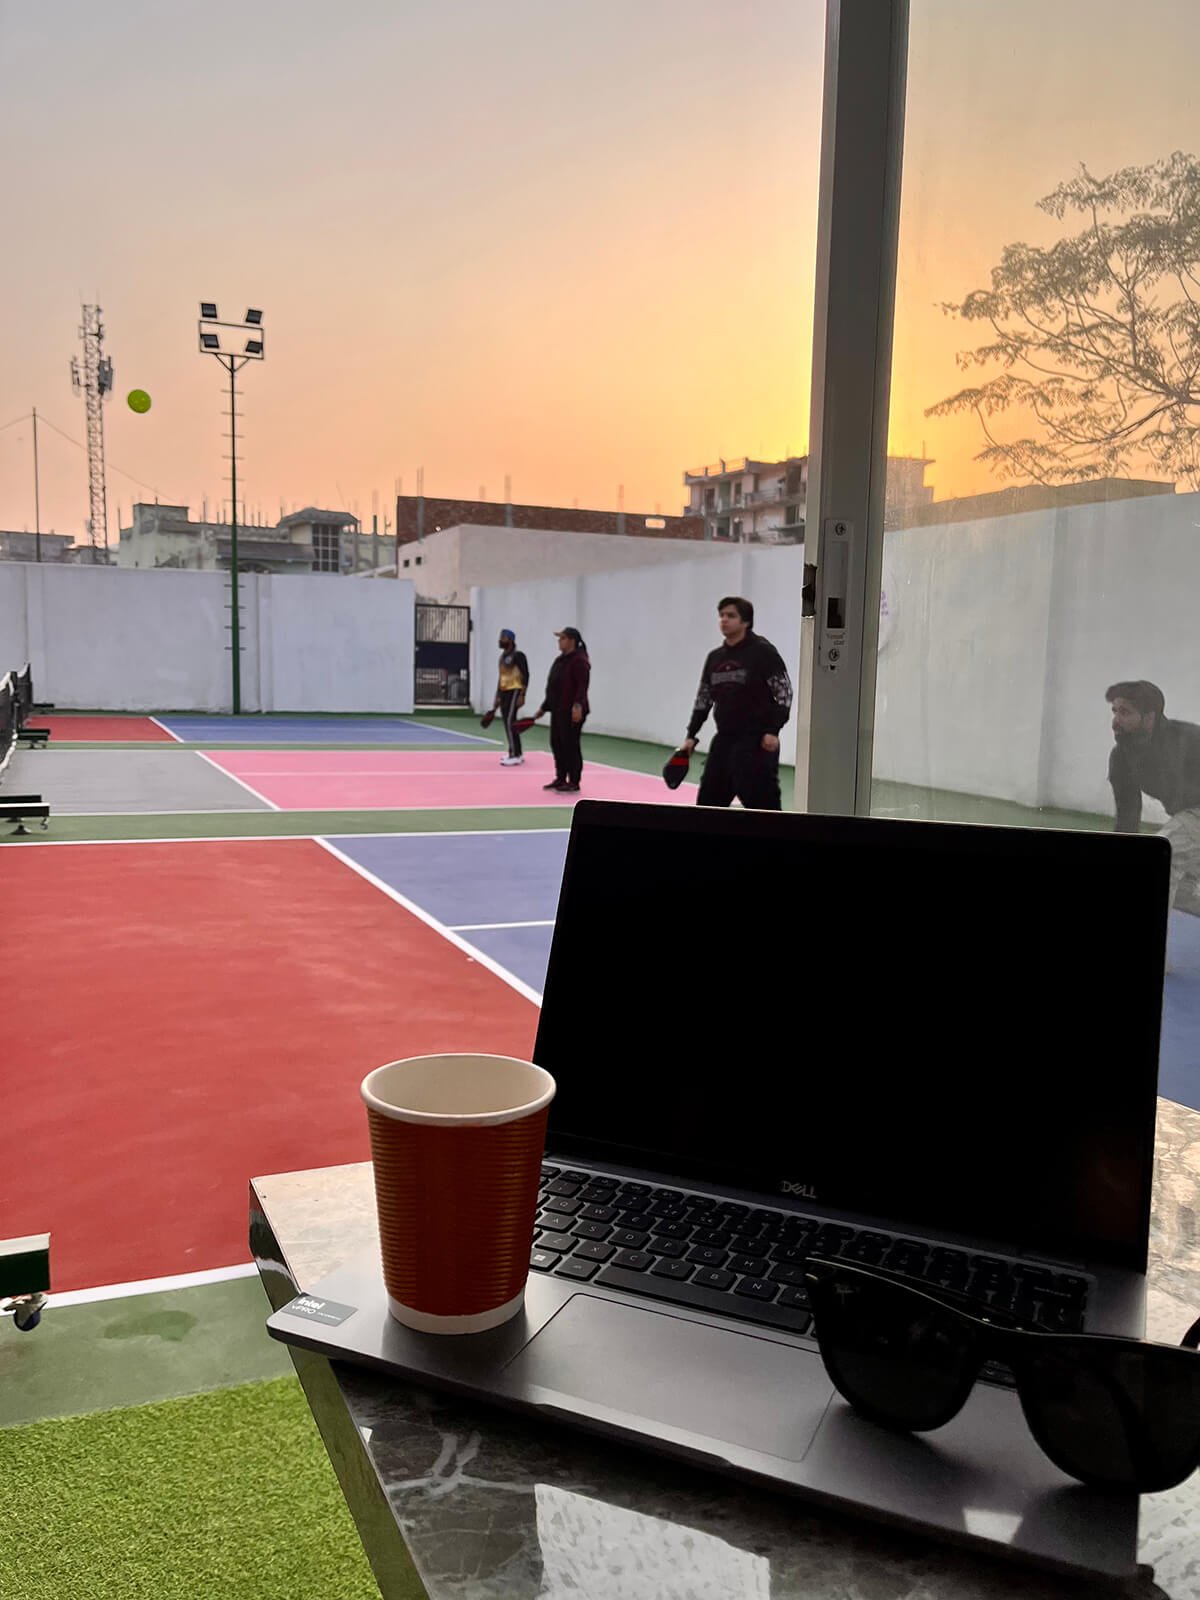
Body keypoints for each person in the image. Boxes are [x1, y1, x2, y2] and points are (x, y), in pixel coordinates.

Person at [682, 596, 792, 810]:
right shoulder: (715, 658)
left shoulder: (763, 652)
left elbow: (783, 692)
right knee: (708, 806)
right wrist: (691, 735)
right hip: (724, 740)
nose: (724, 620)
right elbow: (704, 698)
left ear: (746, 622)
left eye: (731, 616)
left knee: (764, 808)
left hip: (757, 742)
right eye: (721, 615)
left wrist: (773, 730)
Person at [1107, 680, 1200, 911]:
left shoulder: (1189, 739)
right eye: (1115, 711)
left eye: (1125, 712)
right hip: (1189, 817)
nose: (1115, 720)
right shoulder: (1122, 757)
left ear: (1149, 718)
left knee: (1160, 857)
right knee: (1181, 890)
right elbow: (1128, 817)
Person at [533, 627, 590, 792]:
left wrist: (577, 706)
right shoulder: (560, 660)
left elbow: (582, 686)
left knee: (570, 745)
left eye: (562, 638)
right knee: (557, 743)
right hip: (558, 709)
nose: (559, 641)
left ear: (572, 641)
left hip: (572, 711)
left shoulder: (580, 660)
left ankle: (574, 781)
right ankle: (560, 777)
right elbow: (554, 686)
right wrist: (544, 707)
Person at [492, 629, 529, 766]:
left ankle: (515, 755)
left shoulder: (518, 656)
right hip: (504, 693)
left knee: (510, 721)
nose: (500, 640)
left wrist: (522, 694)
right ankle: (515, 751)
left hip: (514, 691)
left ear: (510, 640)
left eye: (503, 638)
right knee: (507, 722)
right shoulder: (502, 657)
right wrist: (497, 696)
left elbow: (525, 675)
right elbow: (501, 677)